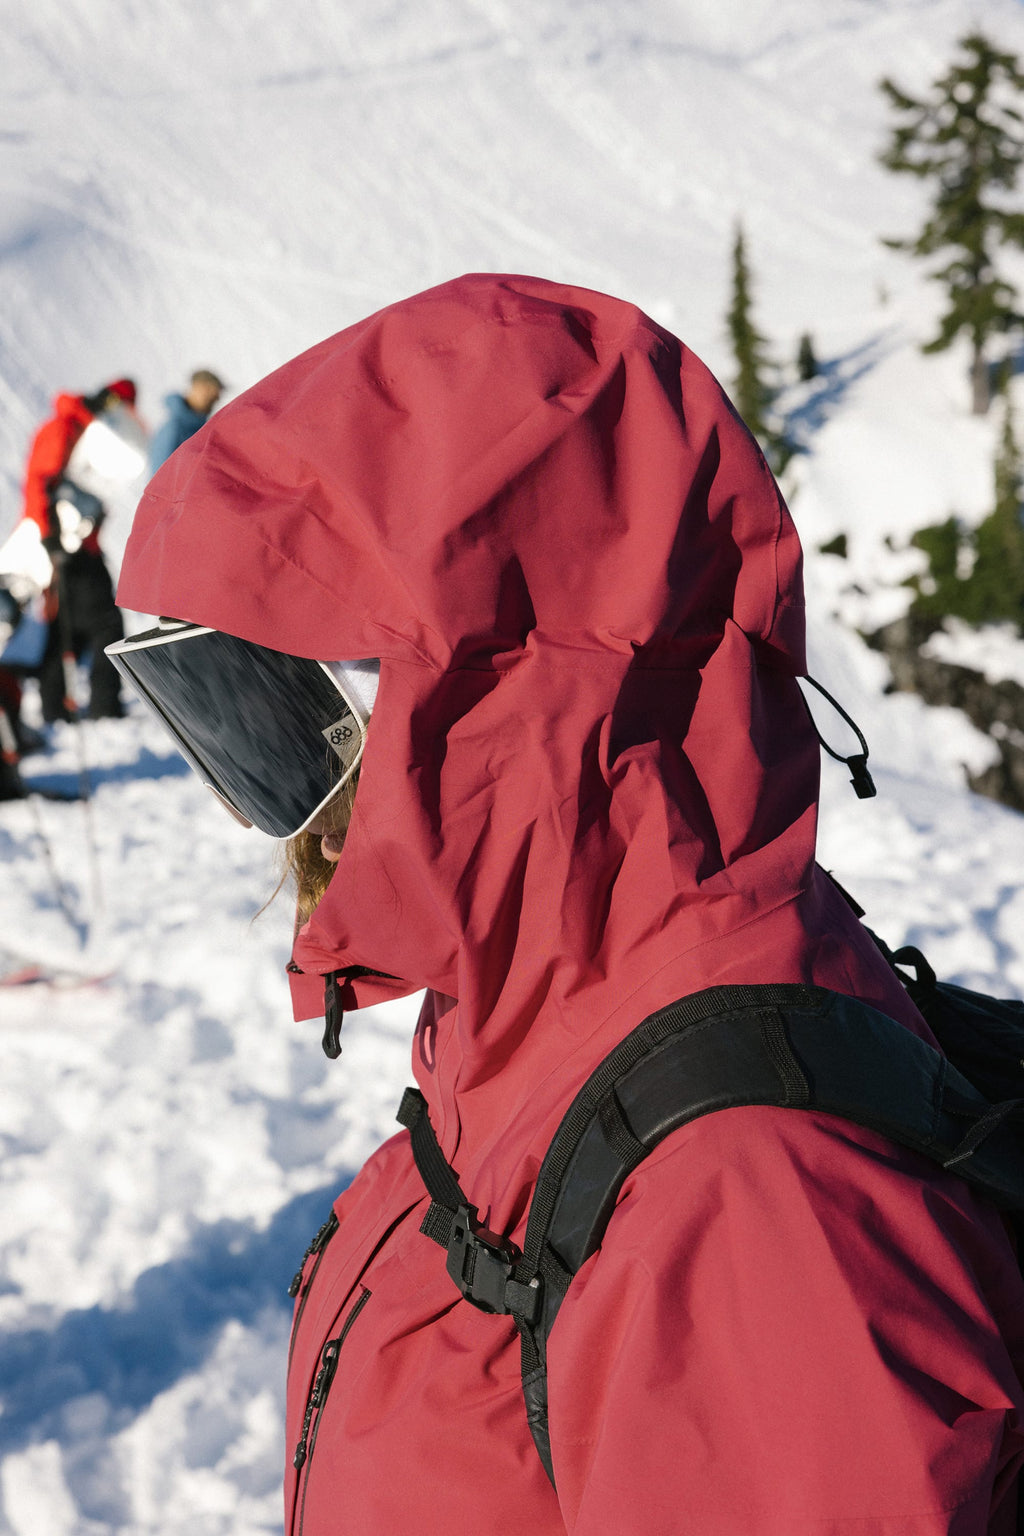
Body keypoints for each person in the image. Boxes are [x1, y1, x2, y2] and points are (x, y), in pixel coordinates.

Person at [112, 275, 1024, 1534]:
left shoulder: (753, 1213)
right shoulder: (530, 1027)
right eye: (216, 712)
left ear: (493, 698)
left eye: (298, 717)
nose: (244, 808)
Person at [21, 380, 137, 721]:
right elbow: (39, 482)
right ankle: (101, 706)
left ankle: (55, 707)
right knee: (100, 624)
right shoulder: (65, 429)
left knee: (67, 626)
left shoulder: (78, 428)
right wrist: (49, 538)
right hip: (67, 548)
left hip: (73, 544)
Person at [147, 369, 224, 474]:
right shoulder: (175, 429)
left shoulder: (199, 428)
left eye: (216, 397)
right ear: (197, 388)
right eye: (209, 392)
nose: (215, 400)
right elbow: (159, 478)